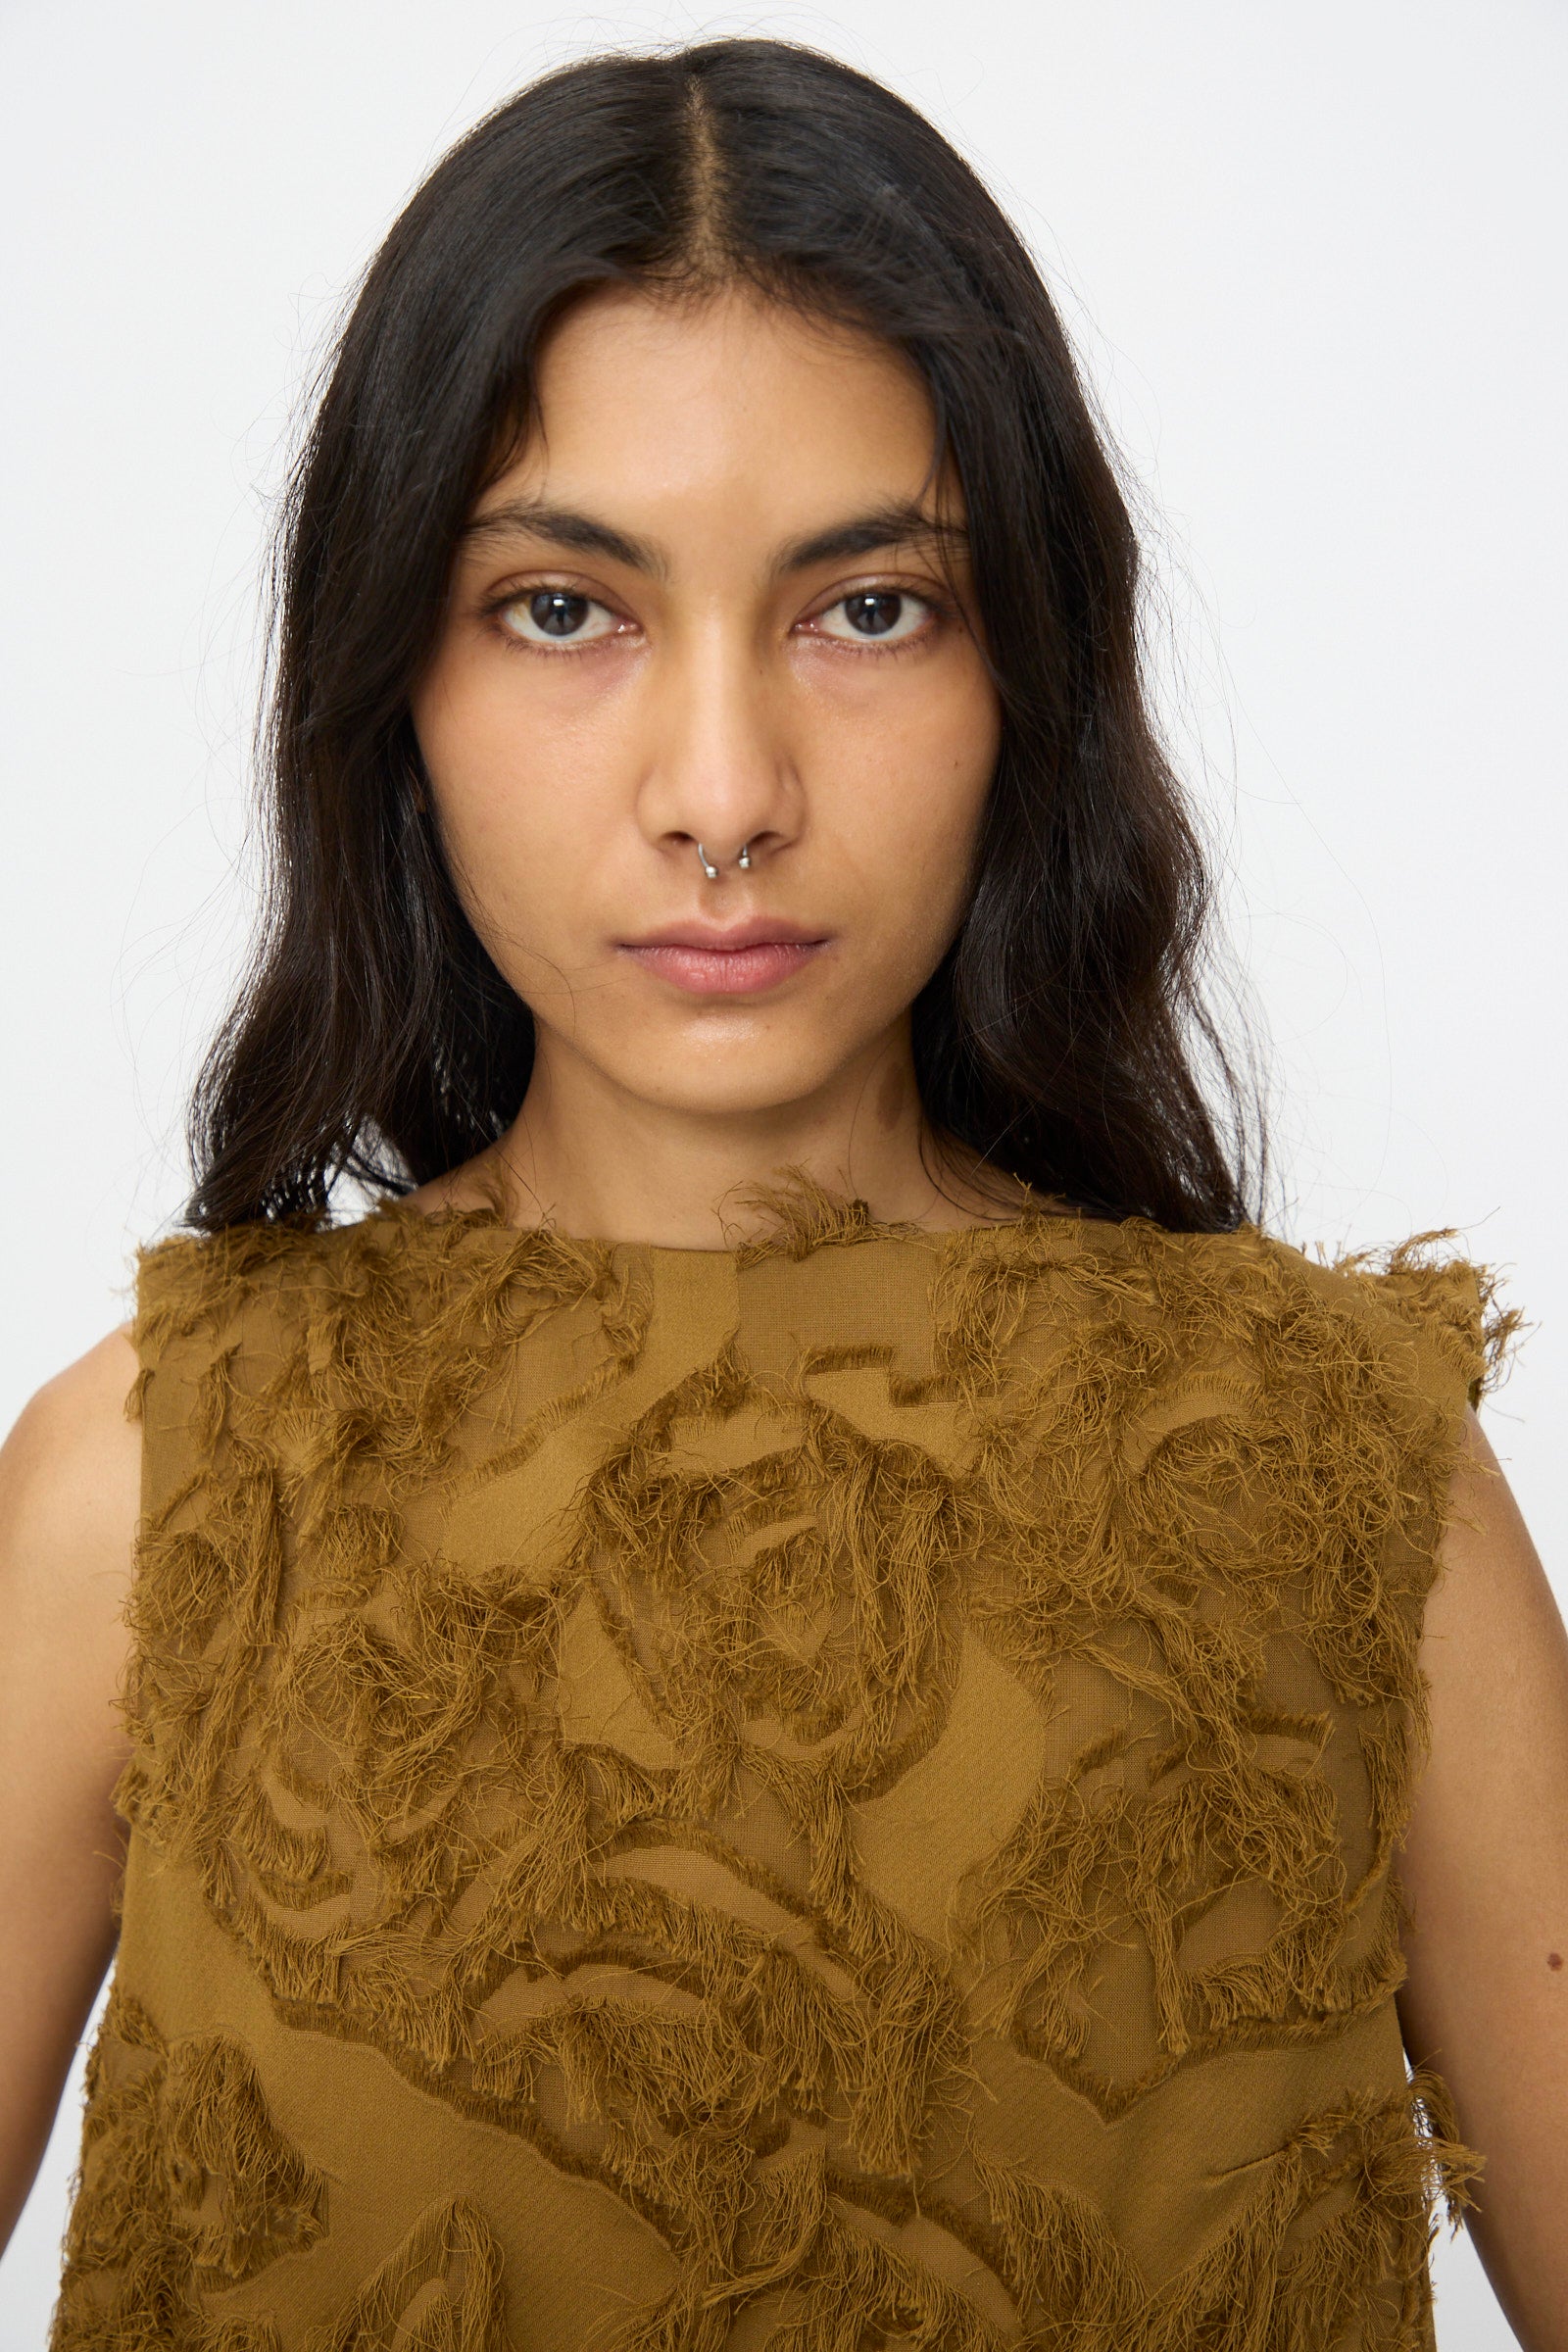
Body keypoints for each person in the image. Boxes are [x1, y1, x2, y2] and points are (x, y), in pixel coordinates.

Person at [1, 35, 1564, 2352]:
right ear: (388, 684)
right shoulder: (148, 1486)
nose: (720, 789)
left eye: (866, 609)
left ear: (1021, 669)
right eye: (562, 607)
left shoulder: (1342, 1480)